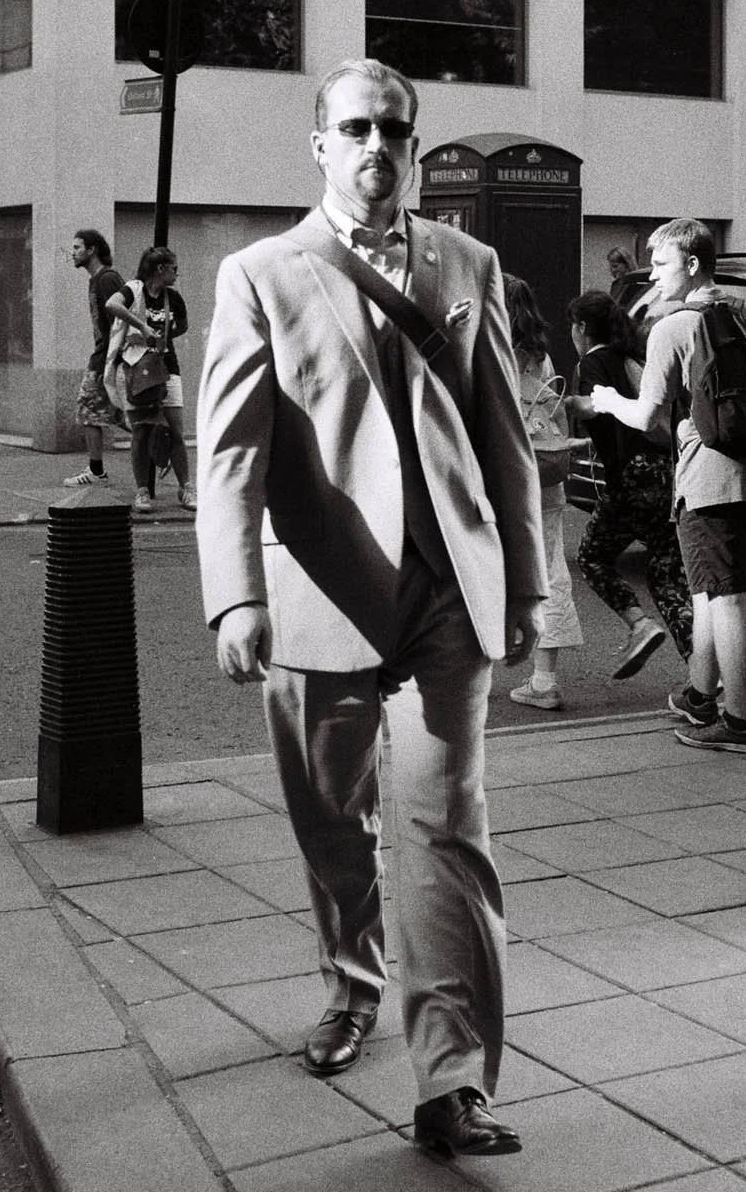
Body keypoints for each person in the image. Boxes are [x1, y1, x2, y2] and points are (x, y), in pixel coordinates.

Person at [196, 58, 543, 1159]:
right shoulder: (261, 272)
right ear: (319, 144)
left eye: (393, 130)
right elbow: (230, 450)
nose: (375, 148)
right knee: (329, 819)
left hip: (447, 590)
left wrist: (527, 583)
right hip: (317, 588)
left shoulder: (466, 262)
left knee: (445, 828)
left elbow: (505, 439)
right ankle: (352, 977)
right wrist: (232, 596)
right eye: (354, 129)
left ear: (414, 143)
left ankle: (452, 1081)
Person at [574, 217, 746, 754]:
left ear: (693, 265)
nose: (655, 278)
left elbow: (647, 417)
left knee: (728, 598)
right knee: (705, 591)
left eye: (663, 265)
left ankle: (740, 724)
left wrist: (603, 400)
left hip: (707, 476)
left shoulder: (674, 327)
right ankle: (699, 697)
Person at [566, 290, 690, 677]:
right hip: (666, 473)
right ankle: (706, 677)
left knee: (592, 557)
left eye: (573, 326)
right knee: (666, 576)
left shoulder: (593, 362)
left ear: (582, 328)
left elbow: (597, 405)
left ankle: (639, 624)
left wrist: (569, 404)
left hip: (632, 475)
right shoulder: (632, 356)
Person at [504, 274, 583, 712]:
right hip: (545, 479)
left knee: (480, 572)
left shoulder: (487, 352)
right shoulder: (541, 358)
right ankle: (544, 680)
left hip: (501, 483)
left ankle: (466, 673)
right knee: (550, 573)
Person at [105, 245, 194, 513]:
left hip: (166, 367)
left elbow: (184, 325)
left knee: (176, 429)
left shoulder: (174, 298)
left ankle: (186, 487)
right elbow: (112, 304)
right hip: (135, 368)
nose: (177, 274)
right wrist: (142, 327)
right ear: (160, 269)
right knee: (141, 432)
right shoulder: (135, 289)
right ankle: (142, 491)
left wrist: (164, 336)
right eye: (174, 269)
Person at [64, 228, 126, 487]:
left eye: (78, 247)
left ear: (92, 250)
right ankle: (97, 468)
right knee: (112, 412)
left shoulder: (106, 279)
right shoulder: (96, 280)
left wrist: (113, 362)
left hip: (106, 358)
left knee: (88, 406)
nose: (73, 253)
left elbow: (120, 321)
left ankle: (97, 471)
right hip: (104, 356)